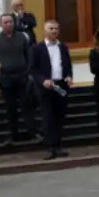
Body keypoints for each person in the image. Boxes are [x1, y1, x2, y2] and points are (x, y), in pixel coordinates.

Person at [0, 13, 40, 144]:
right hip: (5, 77)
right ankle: (13, 134)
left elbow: (28, 55)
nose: (8, 24)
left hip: (22, 76)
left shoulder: (22, 37)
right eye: (5, 22)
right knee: (10, 107)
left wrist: (30, 71)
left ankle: (32, 132)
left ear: (14, 23)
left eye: (10, 22)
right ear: (0, 24)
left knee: (26, 105)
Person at [29, 20, 73, 160]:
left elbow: (67, 65)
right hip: (46, 86)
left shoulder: (63, 47)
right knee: (48, 117)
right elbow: (33, 69)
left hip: (60, 86)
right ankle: (50, 147)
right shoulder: (37, 48)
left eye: (56, 28)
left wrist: (69, 76)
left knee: (59, 116)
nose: (54, 31)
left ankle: (58, 145)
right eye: (51, 28)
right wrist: (43, 80)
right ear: (44, 31)